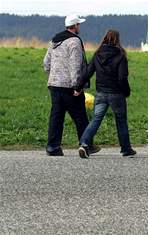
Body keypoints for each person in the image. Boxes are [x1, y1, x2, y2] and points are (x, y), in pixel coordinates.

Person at [43, 14, 100, 156]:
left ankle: (52, 147)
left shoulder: (54, 40)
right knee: (80, 116)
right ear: (74, 26)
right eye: (79, 24)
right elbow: (76, 66)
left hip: (54, 85)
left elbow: (46, 63)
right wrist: (77, 86)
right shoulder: (74, 41)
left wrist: (54, 75)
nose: (79, 26)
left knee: (56, 117)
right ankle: (86, 144)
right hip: (69, 87)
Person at [75, 29, 136, 158]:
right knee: (121, 121)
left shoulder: (98, 54)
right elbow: (122, 78)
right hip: (117, 94)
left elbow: (88, 72)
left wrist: (78, 87)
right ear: (117, 39)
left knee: (96, 120)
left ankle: (84, 143)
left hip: (101, 93)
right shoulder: (121, 55)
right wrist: (126, 92)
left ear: (105, 38)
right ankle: (126, 149)